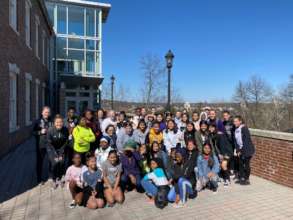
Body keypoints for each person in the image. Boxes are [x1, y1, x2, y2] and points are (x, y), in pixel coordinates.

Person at [46, 115, 69, 188]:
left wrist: (61, 152)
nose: (59, 124)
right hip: (51, 148)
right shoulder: (50, 130)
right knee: (55, 163)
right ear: (54, 123)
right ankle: (53, 178)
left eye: (61, 122)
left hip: (61, 148)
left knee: (62, 162)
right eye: (57, 122)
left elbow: (66, 141)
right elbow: (49, 143)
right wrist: (55, 154)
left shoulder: (65, 130)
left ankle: (59, 178)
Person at [33, 106, 53, 183]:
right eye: (45, 112)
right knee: (40, 162)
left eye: (48, 112)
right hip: (41, 145)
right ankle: (39, 178)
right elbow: (32, 132)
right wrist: (40, 132)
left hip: (50, 144)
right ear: (42, 112)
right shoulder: (37, 121)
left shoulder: (51, 121)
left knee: (51, 160)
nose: (47, 114)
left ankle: (51, 175)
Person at [234, 116, 255, 185]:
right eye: (234, 121)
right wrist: (237, 150)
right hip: (240, 149)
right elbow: (236, 141)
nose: (235, 123)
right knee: (240, 164)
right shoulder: (236, 129)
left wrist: (241, 150)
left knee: (246, 164)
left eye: (236, 121)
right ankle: (242, 177)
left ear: (240, 121)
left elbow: (246, 141)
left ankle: (247, 179)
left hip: (247, 149)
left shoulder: (244, 128)